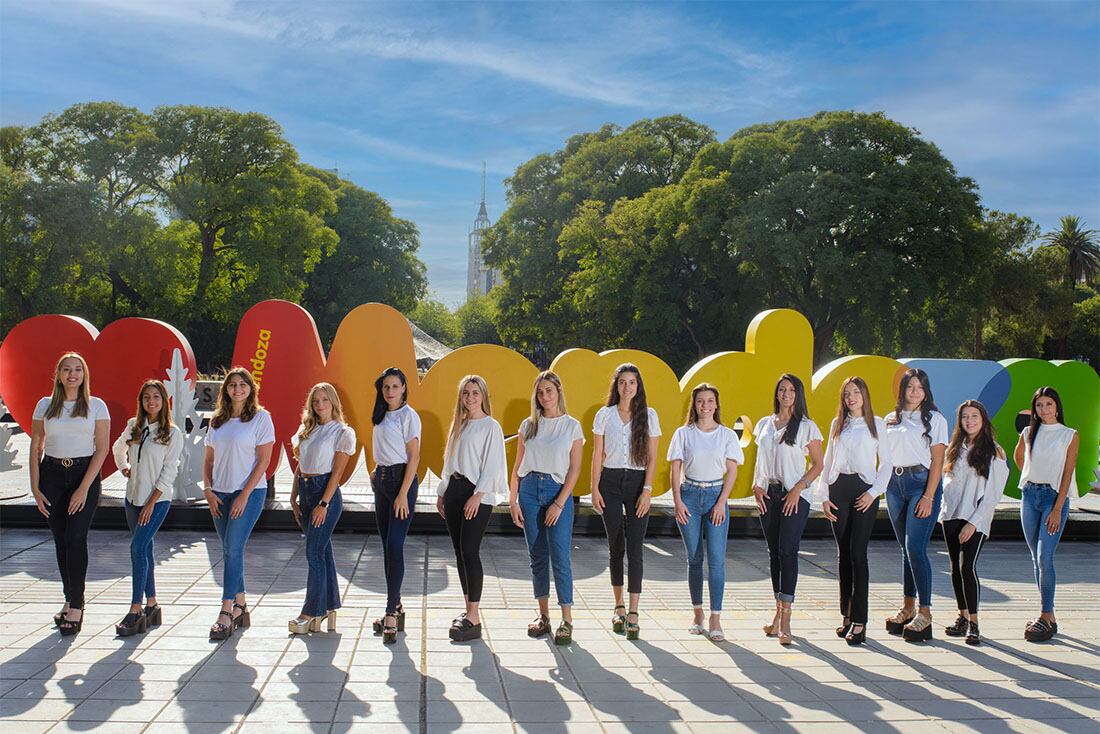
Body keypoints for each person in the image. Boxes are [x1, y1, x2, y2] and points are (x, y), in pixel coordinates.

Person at [30, 352, 111, 636]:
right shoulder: (44, 405)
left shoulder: (95, 406)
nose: (72, 374)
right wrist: (35, 487)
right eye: (67, 369)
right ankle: (69, 598)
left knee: (76, 538)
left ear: (84, 374)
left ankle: (77, 604)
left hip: (83, 474)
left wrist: (83, 488)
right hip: (51, 475)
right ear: (59, 374)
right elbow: (36, 445)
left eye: (78, 369)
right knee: (60, 540)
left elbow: (102, 449)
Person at [508, 371, 584, 645]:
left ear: (558, 391)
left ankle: (567, 619)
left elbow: (575, 469)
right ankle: (544, 617)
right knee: (537, 556)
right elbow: (517, 466)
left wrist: (560, 503)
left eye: (549, 390)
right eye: (540, 392)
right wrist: (512, 499)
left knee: (560, 556)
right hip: (529, 490)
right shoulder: (528, 426)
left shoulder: (571, 426)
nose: (545, 396)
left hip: (557, 490)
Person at [203, 367, 275, 641]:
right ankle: (242, 604)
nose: (237, 388)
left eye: (243, 384)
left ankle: (226, 612)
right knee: (230, 550)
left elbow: (264, 462)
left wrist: (244, 494)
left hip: (250, 492)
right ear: (226, 390)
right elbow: (208, 460)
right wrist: (208, 491)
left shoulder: (261, 418)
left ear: (250, 388)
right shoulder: (217, 421)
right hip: (219, 494)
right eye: (232, 384)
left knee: (232, 548)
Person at [751, 373, 824, 646]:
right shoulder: (764, 424)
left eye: (792, 389)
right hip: (768, 494)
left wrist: (798, 489)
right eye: (782, 389)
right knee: (773, 554)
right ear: (777, 393)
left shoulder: (807, 426)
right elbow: (760, 461)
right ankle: (777, 613)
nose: (786, 393)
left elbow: (818, 465)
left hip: (795, 495)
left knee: (788, 552)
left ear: (798, 394)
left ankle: (787, 618)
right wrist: (756, 486)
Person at [590, 363, 661, 641]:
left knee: (635, 547)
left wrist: (647, 490)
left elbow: (653, 458)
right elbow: (597, 454)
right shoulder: (604, 415)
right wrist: (594, 488)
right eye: (622, 382)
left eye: (632, 382)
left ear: (638, 386)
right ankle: (618, 605)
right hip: (609, 482)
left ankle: (633, 611)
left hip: (637, 482)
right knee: (615, 545)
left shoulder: (649, 415)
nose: (627, 387)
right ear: (616, 385)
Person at [818, 377, 891, 646]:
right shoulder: (838, 424)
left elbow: (886, 464)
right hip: (839, 490)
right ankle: (846, 615)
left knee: (858, 554)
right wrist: (824, 496)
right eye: (847, 393)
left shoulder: (877, 424)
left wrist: (873, 494)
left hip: (864, 492)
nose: (851, 397)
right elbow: (827, 462)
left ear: (865, 396)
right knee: (843, 555)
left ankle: (860, 620)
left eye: (856, 393)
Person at [668, 383, 743, 642]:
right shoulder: (683, 433)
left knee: (717, 559)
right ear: (695, 404)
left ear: (716, 404)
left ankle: (715, 618)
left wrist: (722, 501)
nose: (705, 405)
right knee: (695, 558)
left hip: (715, 496)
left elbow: (732, 471)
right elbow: (675, 468)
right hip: (689, 495)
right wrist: (677, 501)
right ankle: (697, 613)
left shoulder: (727, 435)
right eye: (701, 401)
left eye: (710, 400)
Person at [435, 375, 508, 642]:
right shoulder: (460, 425)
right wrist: (442, 492)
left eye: (475, 392)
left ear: (483, 395)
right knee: (459, 552)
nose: (470, 398)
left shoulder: (491, 427)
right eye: (466, 393)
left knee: (470, 550)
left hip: (477, 492)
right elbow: (449, 461)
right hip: (454, 491)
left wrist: (478, 495)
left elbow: (493, 464)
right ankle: (468, 611)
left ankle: (475, 615)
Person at [111, 380, 183, 637]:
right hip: (132, 500)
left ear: (164, 401)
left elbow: (168, 473)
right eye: (146, 397)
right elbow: (117, 447)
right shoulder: (134, 426)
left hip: (157, 502)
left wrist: (151, 503)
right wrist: (124, 467)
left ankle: (135, 610)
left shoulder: (172, 433)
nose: (151, 402)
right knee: (146, 550)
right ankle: (152, 605)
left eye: (156, 397)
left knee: (137, 548)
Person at [883, 368, 949, 642]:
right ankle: (908, 607)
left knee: (915, 548)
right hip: (894, 486)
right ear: (902, 390)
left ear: (926, 391)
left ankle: (925, 612)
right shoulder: (890, 419)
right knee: (905, 549)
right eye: (910, 387)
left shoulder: (935, 419)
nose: (914, 392)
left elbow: (938, 462)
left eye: (920, 387)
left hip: (920, 484)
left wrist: (929, 496)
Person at [939, 400, 1009, 646]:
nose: (969, 421)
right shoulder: (954, 448)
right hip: (951, 516)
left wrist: (973, 522)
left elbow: (993, 495)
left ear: (983, 419)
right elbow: (948, 484)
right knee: (955, 568)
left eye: (974, 416)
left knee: (967, 567)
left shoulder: (994, 452)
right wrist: (943, 513)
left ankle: (975, 623)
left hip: (975, 519)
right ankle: (961, 616)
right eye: (965, 417)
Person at [288, 383, 356, 635]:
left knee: (314, 553)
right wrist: (293, 497)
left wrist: (323, 504)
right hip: (305, 492)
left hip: (324, 494)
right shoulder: (308, 430)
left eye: (324, 400)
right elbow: (300, 465)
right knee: (323, 552)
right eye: (315, 401)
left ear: (333, 402)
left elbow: (337, 473)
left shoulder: (342, 432)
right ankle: (328, 607)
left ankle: (310, 611)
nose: (319, 405)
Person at [1014, 386, 1079, 642]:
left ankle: (1046, 614)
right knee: (1034, 557)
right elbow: (1019, 458)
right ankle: (1047, 616)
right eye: (1039, 405)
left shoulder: (1069, 435)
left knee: (1044, 556)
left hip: (1054, 499)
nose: (1044, 409)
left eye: (1048, 404)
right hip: (1029, 496)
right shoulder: (1028, 432)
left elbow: (1068, 473)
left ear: (1057, 406)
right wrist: (1031, 476)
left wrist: (1057, 508)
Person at [369, 368, 421, 644]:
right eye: (386, 386)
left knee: (395, 545)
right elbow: (380, 448)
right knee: (386, 545)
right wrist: (375, 472)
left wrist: (403, 494)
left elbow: (413, 458)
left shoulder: (409, 416)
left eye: (395, 386)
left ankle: (391, 611)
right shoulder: (380, 415)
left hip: (402, 482)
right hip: (383, 481)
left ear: (403, 388)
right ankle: (397, 606)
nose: (390, 391)